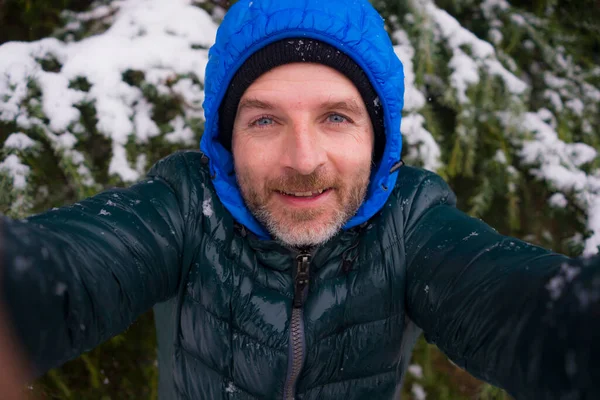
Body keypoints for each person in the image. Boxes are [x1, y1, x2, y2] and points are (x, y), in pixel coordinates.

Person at [1, 0, 599, 398]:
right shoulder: (187, 205)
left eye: (336, 117)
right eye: (264, 121)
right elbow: (61, 272)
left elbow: (529, 314)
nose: (304, 159)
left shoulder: (411, 222)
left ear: (378, 136)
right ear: (225, 138)